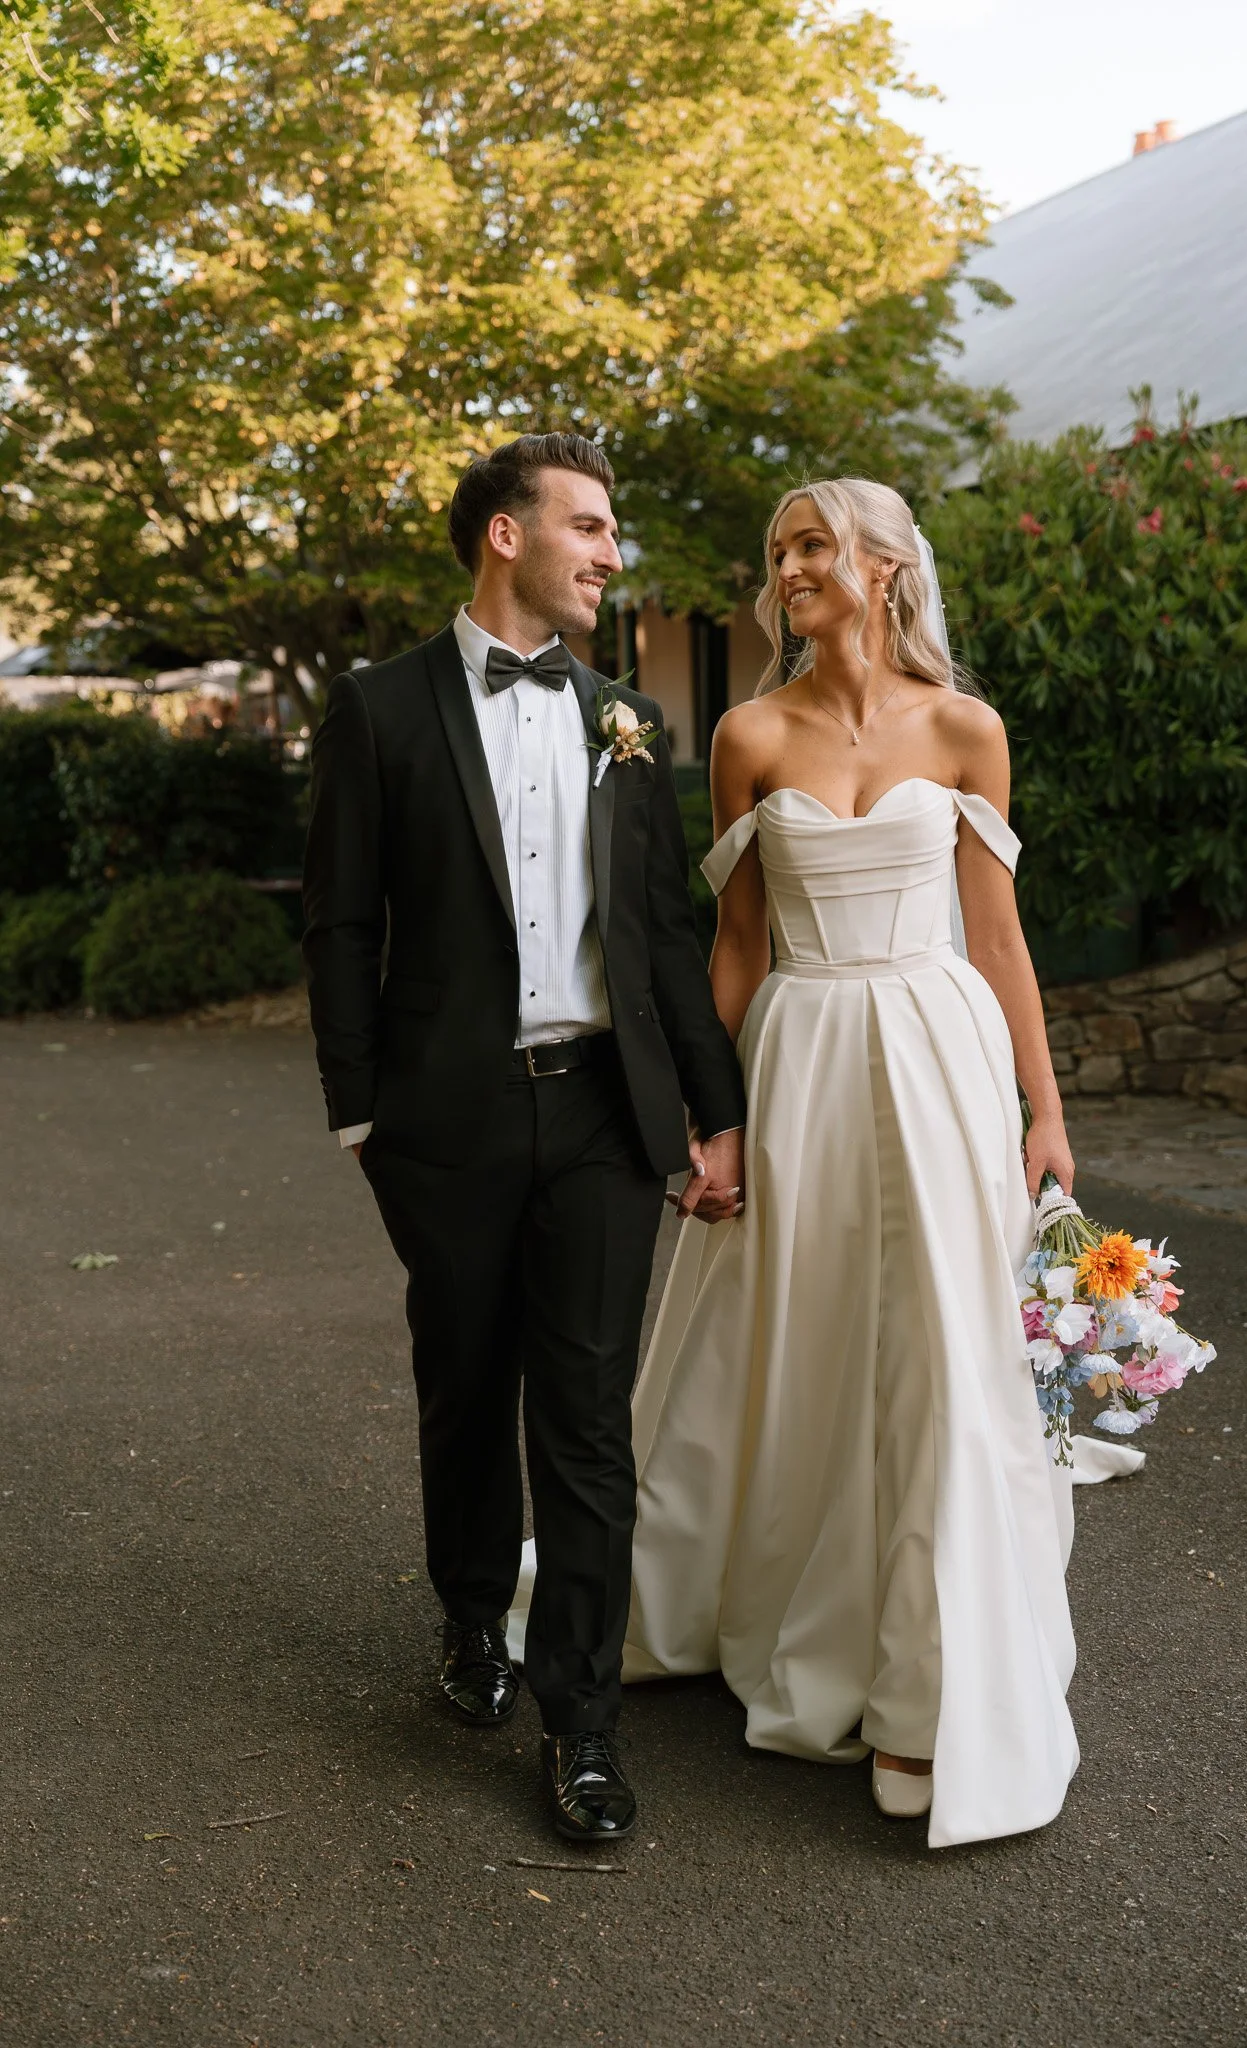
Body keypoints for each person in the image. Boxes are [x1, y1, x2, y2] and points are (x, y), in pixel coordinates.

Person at [604, 477, 1142, 1848]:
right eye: (778, 551)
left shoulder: (966, 729)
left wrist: (1046, 1109)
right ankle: (793, 1616)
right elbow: (735, 944)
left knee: (946, 1355)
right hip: (800, 1060)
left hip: (944, 1056)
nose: (786, 570)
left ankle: (928, 1689)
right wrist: (703, 1117)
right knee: (808, 1336)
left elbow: (1002, 939)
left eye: (811, 548)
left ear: (887, 568)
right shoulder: (744, 735)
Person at [301, 433, 745, 1844]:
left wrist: (714, 1114)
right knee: (463, 1383)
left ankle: (583, 1722)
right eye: (594, 527)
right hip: (448, 1118)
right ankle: (470, 1615)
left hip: (607, 1118)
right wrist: (363, 1107)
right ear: (508, 535)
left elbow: (665, 936)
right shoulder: (377, 710)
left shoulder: (627, 721)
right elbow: (339, 920)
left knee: (588, 1422)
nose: (614, 555)